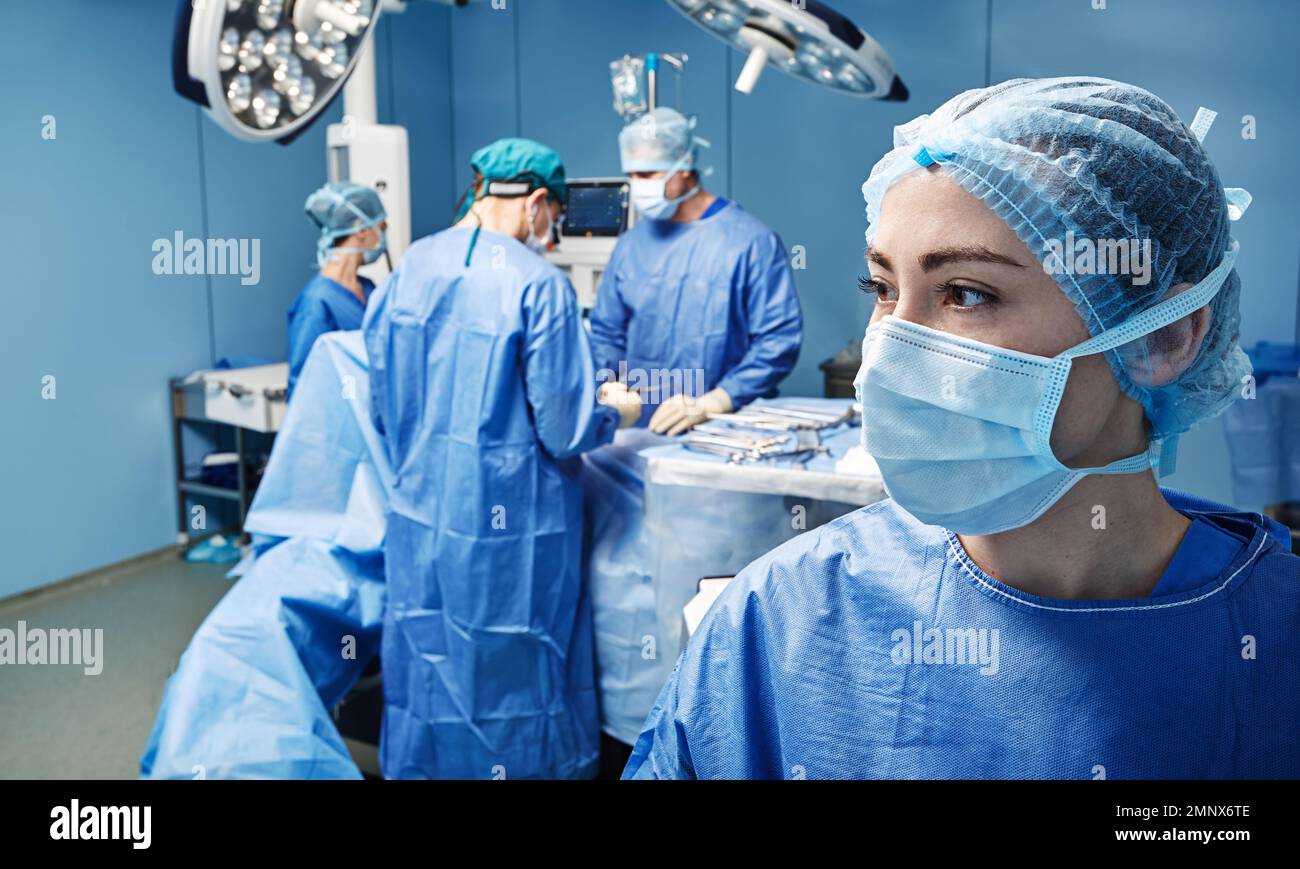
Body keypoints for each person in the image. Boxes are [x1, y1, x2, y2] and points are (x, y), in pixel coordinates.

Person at [624, 78, 1300, 779]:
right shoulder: (780, 621)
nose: (887, 348)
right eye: (883, 288)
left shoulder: (1276, 641)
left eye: (966, 293)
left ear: (1161, 340)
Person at [363, 138, 640, 779]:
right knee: (513, 675)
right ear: (538, 203)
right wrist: (616, 411)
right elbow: (567, 430)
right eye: (555, 220)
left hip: (420, 523)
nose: (551, 234)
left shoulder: (407, 270)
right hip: (512, 537)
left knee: (429, 659)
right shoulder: (538, 285)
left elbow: (383, 408)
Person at [589, 107, 803, 434]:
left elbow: (778, 340)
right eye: (631, 175)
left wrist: (715, 401)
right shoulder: (630, 246)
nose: (636, 186)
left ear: (684, 165)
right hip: (636, 427)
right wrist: (605, 386)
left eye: (647, 174)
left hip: (722, 429)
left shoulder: (750, 242)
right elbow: (607, 332)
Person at [287, 181, 388, 398]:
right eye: (381, 228)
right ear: (361, 228)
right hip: (339, 418)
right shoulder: (316, 302)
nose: (383, 238)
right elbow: (303, 388)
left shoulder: (369, 289)